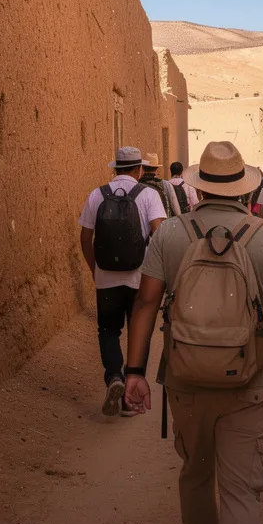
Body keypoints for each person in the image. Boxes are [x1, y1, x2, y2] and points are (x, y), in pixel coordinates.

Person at [123, 141, 263, 524]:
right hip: (251, 381)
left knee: (195, 472)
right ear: (245, 190)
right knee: (241, 489)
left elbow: (146, 303)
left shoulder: (171, 234)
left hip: (186, 379)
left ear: (200, 188)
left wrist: (134, 372)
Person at [78, 146, 168, 416]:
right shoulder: (149, 195)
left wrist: (95, 269)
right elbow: (160, 235)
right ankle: (131, 398)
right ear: (139, 170)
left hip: (106, 277)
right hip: (140, 278)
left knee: (108, 330)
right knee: (139, 331)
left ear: (115, 168)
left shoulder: (97, 195)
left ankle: (114, 377)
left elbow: (85, 237)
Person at [140, 152, 181, 217]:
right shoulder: (166, 185)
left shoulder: (137, 184)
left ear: (143, 167)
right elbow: (176, 210)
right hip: (162, 223)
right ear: (157, 168)